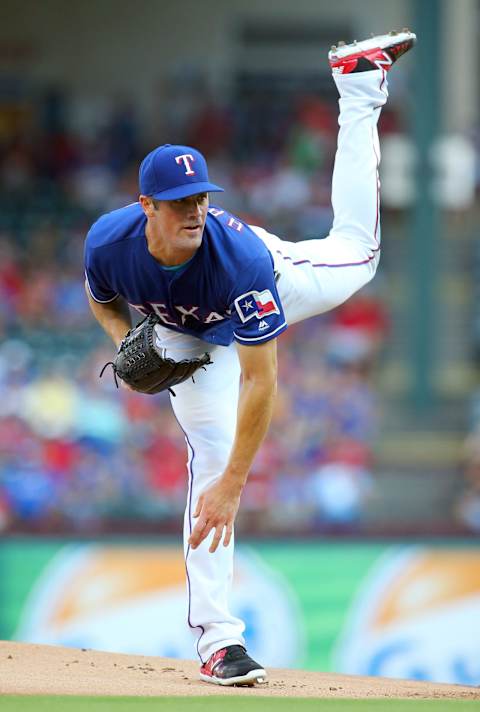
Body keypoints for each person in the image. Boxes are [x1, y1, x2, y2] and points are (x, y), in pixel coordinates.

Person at [84, 30, 416, 686]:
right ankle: (218, 642)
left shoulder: (239, 260)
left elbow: (262, 381)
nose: (194, 211)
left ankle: (357, 85)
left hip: (267, 288)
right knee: (205, 458)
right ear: (145, 206)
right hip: (182, 333)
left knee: (360, 252)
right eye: (179, 203)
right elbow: (103, 302)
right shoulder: (108, 244)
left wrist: (237, 483)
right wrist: (123, 345)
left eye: (202, 199)